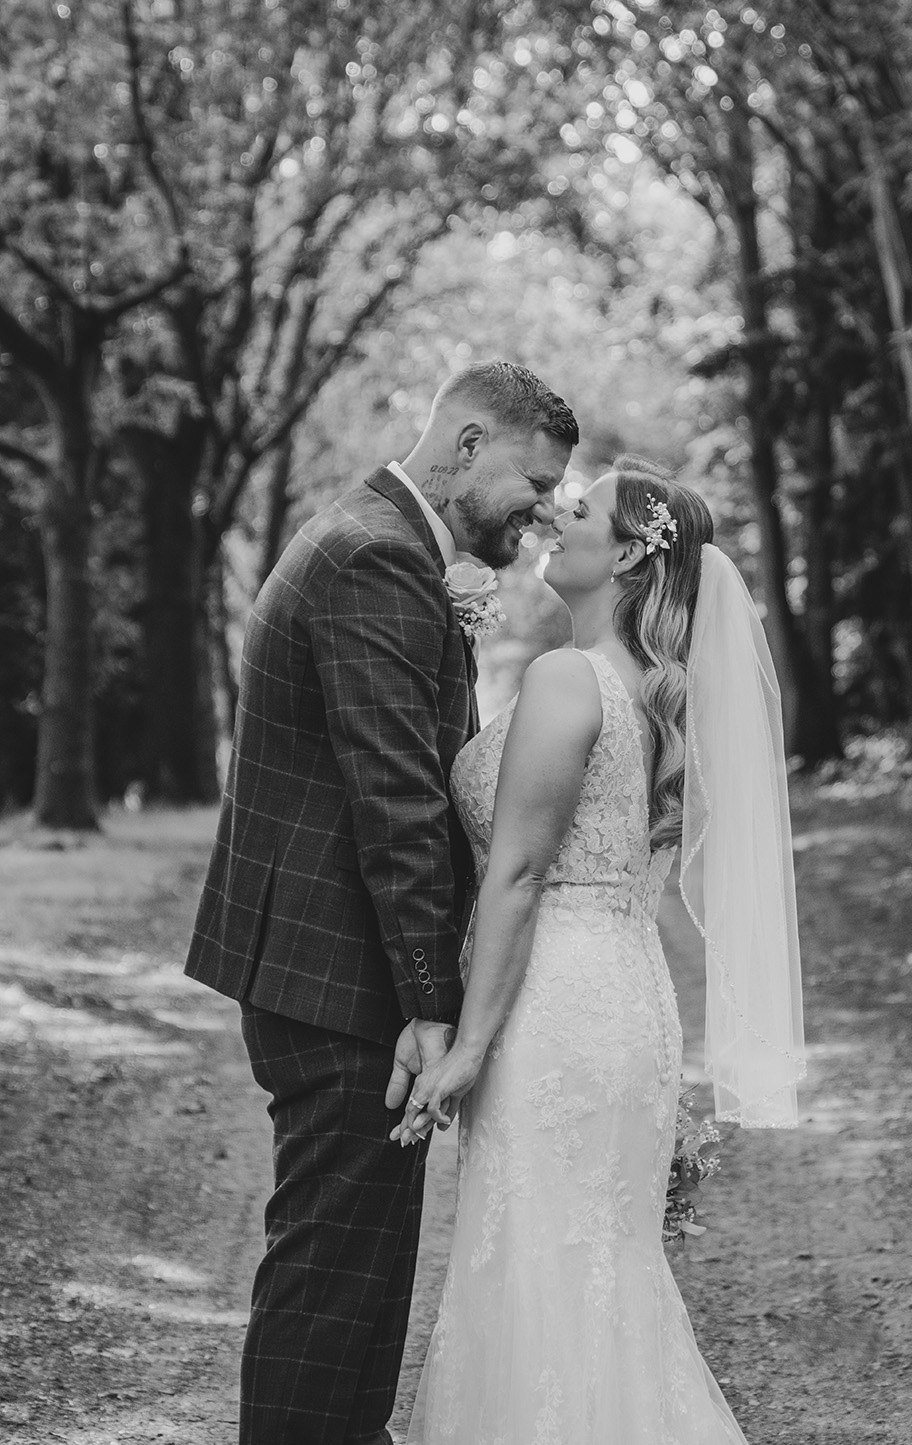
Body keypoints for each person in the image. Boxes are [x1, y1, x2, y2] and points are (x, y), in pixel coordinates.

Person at [184, 361, 577, 1445]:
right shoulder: (371, 560)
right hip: (337, 974)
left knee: (357, 1272)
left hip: (329, 963)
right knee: (330, 1272)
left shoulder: (381, 543)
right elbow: (394, 801)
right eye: (533, 480)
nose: (543, 508)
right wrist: (429, 1004)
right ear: (463, 445)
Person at [394, 456, 807, 1442]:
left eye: (576, 508)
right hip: (624, 994)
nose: (552, 513)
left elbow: (519, 876)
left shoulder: (568, 680)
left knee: (538, 1269)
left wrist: (467, 1046)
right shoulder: (660, 698)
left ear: (626, 551)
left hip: (552, 1005)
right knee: (597, 1274)